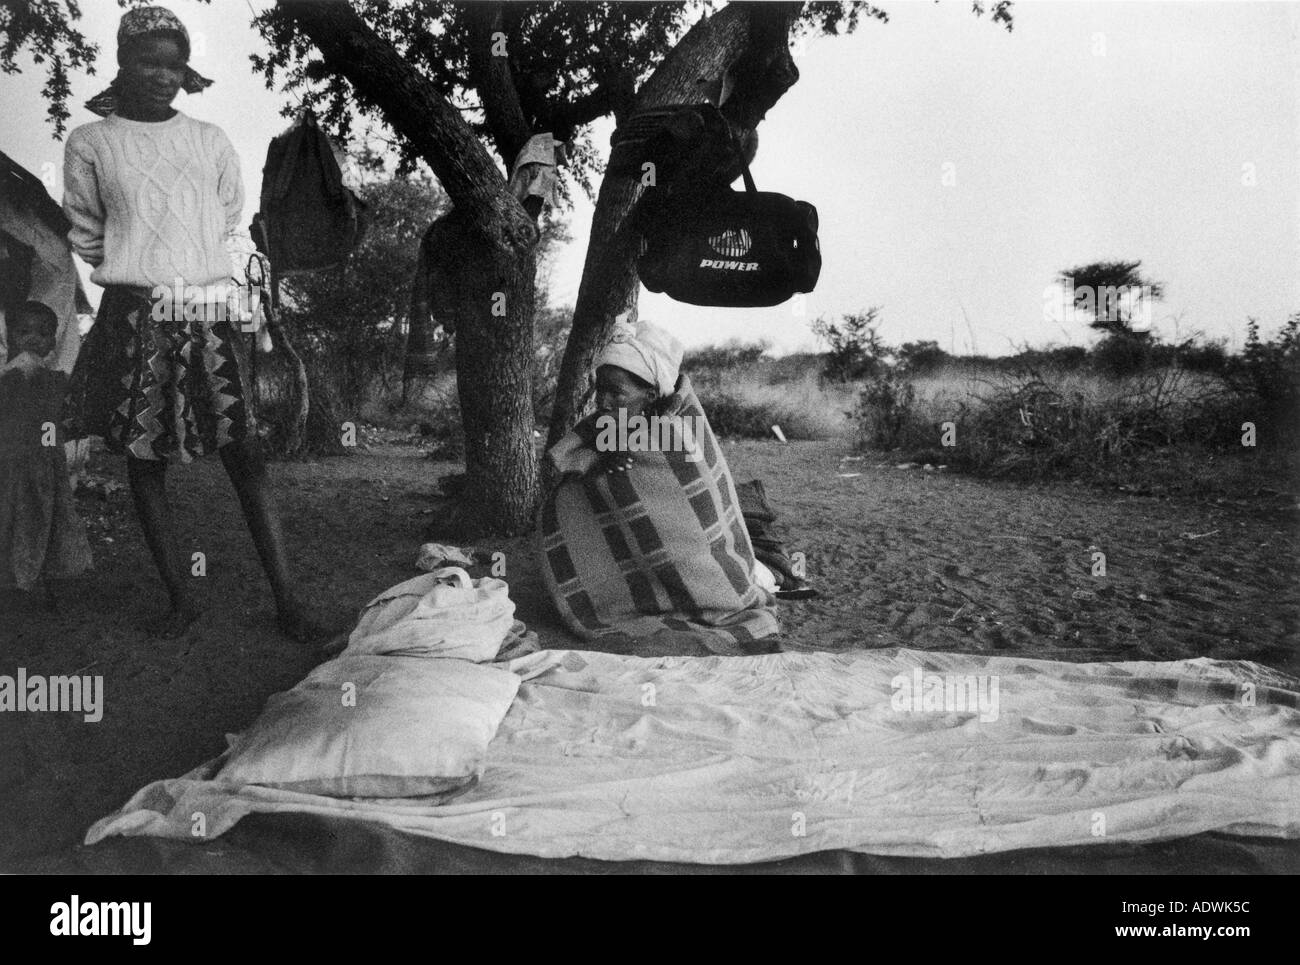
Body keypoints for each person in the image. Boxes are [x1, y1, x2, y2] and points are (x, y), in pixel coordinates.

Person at [61, 6, 325, 642]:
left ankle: (290, 604)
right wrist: (143, 267)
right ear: (123, 63)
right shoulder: (91, 143)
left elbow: (228, 214)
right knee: (143, 459)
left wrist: (187, 271)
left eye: (173, 63)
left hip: (205, 313)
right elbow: (87, 233)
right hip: (135, 315)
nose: (161, 74)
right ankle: (181, 597)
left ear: (186, 71)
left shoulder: (209, 140)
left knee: (247, 456)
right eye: (147, 60)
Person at [537, 316, 780, 655]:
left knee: (716, 574)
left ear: (650, 393)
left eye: (617, 393)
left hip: (700, 560)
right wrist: (607, 450)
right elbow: (571, 460)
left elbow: (691, 500)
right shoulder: (607, 424)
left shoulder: (677, 430)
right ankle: (639, 595)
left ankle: (701, 596)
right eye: (600, 389)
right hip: (644, 561)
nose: (604, 401)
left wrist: (621, 447)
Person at [0, 302, 92, 604]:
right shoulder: (6, 377)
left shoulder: (56, 380)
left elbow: (65, 421)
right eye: (23, 331)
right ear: (9, 336)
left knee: (46, 522)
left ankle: (42, 579)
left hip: (44, 469)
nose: (33, 339)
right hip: (8, 468)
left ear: (53, 341)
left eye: (43, 333)